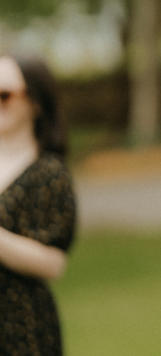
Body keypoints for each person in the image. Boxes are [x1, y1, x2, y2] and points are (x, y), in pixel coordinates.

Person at [0, 53, 76, 355]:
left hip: (19, 326)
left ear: (35, 102)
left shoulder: (49, 174)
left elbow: (53, 263)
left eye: (4, 95)